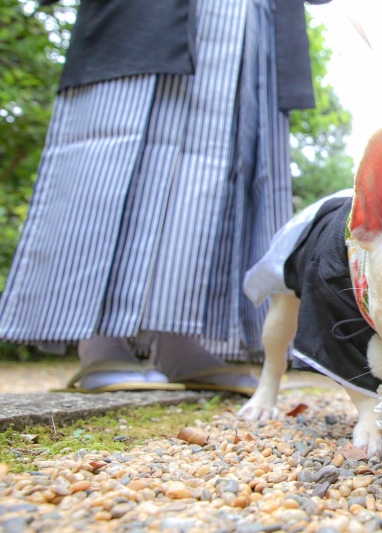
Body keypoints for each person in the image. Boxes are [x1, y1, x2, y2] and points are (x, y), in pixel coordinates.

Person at [0, 0, 325, 392]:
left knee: (211, 173)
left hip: (247, 17)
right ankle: (100, 340)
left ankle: (179, 342)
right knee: (119, 142)